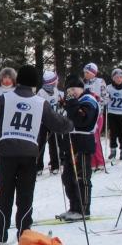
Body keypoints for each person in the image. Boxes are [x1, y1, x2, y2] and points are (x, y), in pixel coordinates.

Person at [0, 65, 72, 245]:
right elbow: (57, 124)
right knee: (25, 196)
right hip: (28, 153)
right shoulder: (40, 102)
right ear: (35, 83)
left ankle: (0, 236)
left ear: (17, 80)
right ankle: (24, 234)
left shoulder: (4, 98)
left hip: (7, 152)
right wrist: (69, 124)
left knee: (5, 194)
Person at [55, 74, 99, 221]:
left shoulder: (88, 100)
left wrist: (72, 103)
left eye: (74, 89)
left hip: (83, 142)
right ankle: (74, 207)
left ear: (81, 88)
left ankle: (83, 209)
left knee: (82, 177)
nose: (71, 93)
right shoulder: (72, 102)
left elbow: (82, 120)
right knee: (68, 177)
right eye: (69, 90)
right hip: (70, 142)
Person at [36, 70, 62, 174]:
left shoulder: (56, 91)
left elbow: (58, 104)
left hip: (53, 121)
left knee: (54, 143)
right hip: (43, 122)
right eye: (55, 81)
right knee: (41, 143)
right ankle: (38, 167)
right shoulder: (41, 92)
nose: (56, 82)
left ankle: (55, 165)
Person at [83, 63, 108, 171]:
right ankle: (92, 163)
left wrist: (96, 98)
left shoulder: (100, 82)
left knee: (95, 138)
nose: (85, 74)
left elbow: (106, 99)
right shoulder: (83, 83)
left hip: (98, 115)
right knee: (89, 138)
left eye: (87, 72)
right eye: (85, 72)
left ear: (93, 73)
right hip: (87, 115)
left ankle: (100, 162)